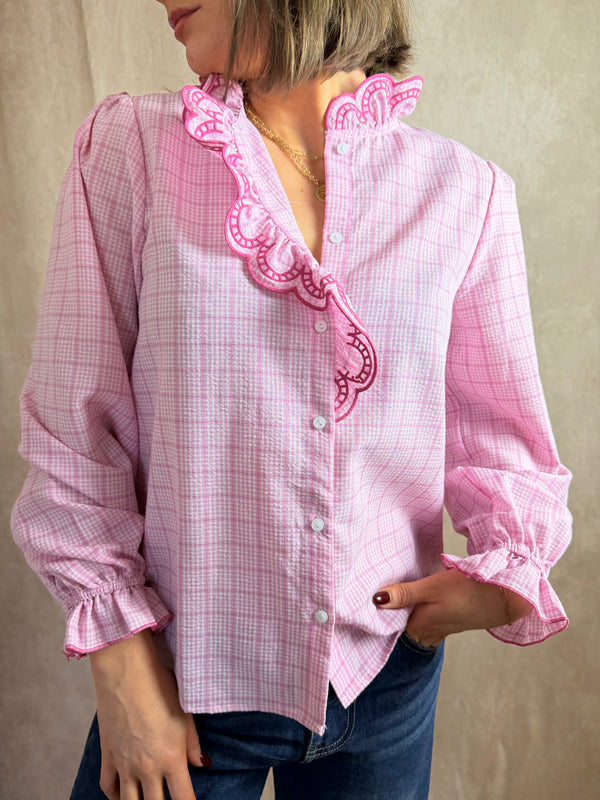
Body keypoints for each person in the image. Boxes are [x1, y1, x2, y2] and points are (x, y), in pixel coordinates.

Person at [11, 1, 573, 798]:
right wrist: (122, 665)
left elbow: (506, 442)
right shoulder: (133, 149)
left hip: (383, 678)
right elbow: (75, 425)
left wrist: (499, 577)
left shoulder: (464, 192)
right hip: (183, 689)